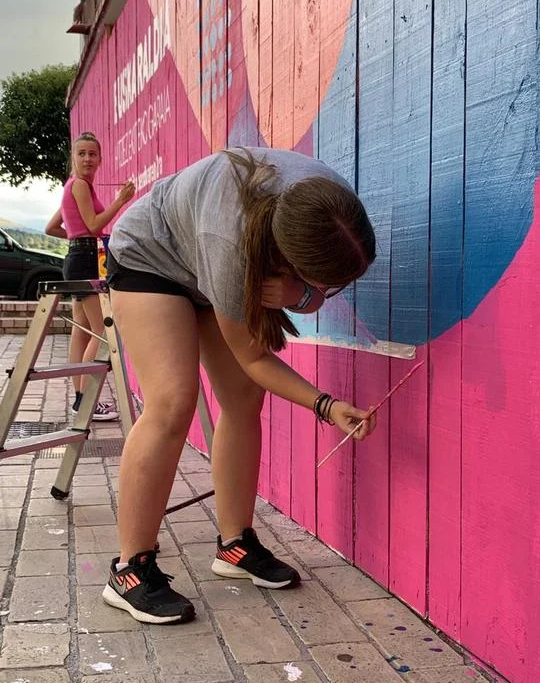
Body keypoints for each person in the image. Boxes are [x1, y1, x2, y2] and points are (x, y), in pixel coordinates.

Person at [102, 146, 377, 625]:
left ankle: (234, 546)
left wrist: (303, 293)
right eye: (321, 282)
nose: (329, 291)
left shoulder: (335, 207)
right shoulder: (230, 243)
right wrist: (326, 405)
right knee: (172, 401)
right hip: (151, 257)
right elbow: (253, 357)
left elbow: (306, 299)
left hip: (205, 256)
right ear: (285, 257)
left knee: (243, 400)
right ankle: (129, 570)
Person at [46, 132, 135, 421]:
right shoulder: (80, 185)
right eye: (82, 153)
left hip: (76, 258)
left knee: (82, 332)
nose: (87, 159)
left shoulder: (72, 186)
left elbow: (51, 228)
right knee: (102, 332)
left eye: (92, 154)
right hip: (84, 262)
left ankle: (80, 400)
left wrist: (75, 236)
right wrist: (120, 201)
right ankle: (87, 402)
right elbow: (95, 225)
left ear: (100, 159)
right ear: (73, 157)